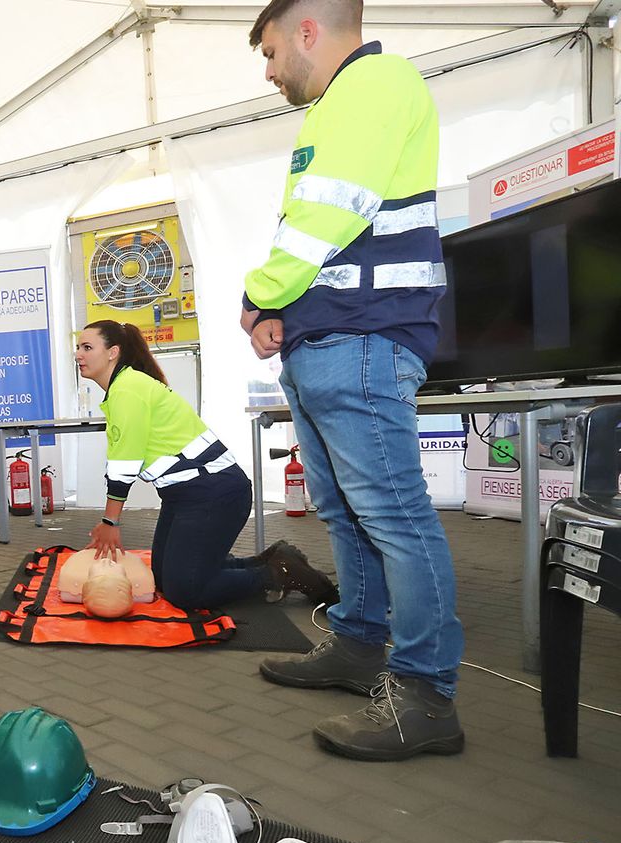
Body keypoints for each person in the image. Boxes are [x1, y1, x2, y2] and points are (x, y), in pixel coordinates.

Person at [241, 0, 464, 761]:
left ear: (308, 30)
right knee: (344, 512)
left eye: (271, 52)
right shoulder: (339, 108)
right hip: (328, 336)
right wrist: (286, 312)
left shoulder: (375, 86)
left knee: (395, 517)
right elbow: (330, 233)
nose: (270, 72)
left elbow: (328, 219)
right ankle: (360, 647)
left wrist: (263, 292)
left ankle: (428, 696)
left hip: (363, 338)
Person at [75, 320, 332, 611]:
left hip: (212, 493)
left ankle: (278, 573)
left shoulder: (127, 389)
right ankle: (272, 559)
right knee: (163, 577)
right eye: (77, 348)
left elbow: (124, 465)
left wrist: (110, 522)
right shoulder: (127, 386)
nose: (78, 355)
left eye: (87, 347)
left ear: (113, 353)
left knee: (185, 592)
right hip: (186, 495)